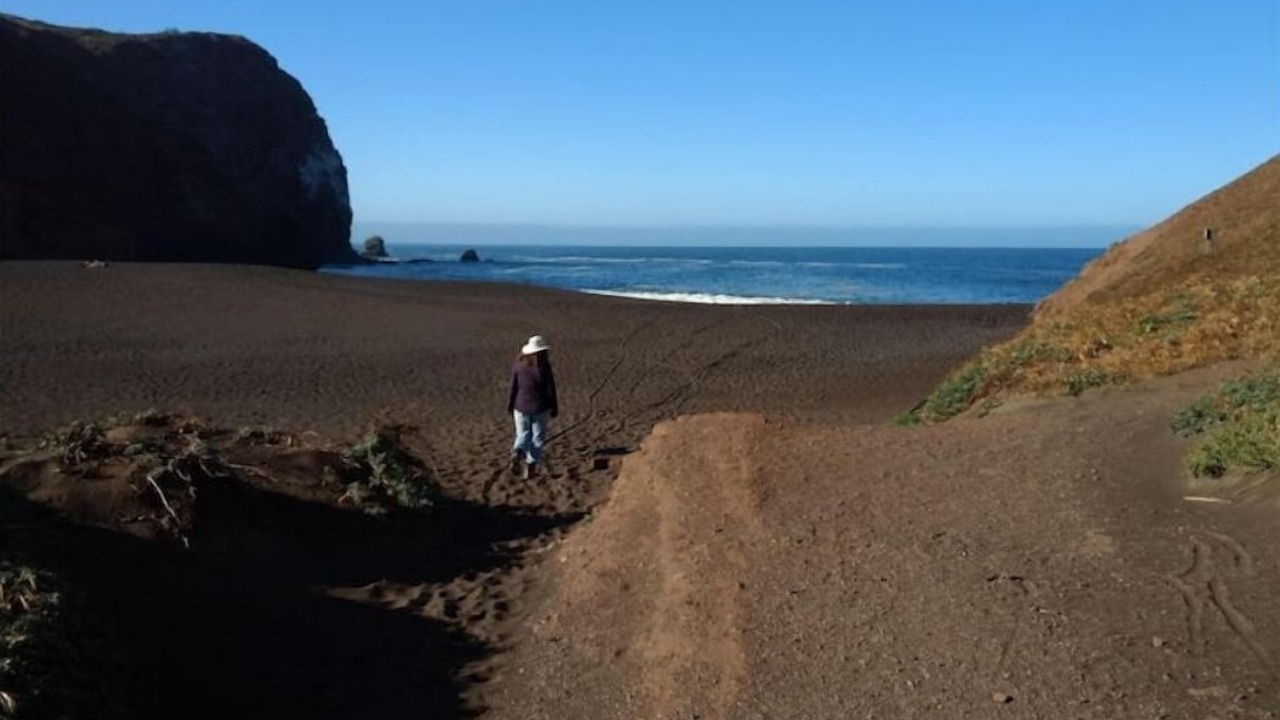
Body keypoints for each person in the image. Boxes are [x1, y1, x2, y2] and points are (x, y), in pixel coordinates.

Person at [507, 334, 558, 478]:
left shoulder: (518, 366)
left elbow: (513, 387)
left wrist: (510, 404)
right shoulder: (544, 368)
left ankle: (518, 452)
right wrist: (554, 407)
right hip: (540, 407)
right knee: (537, 437)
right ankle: (531, 465)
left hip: (520, 405)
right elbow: (550, 389)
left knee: (522, 434)